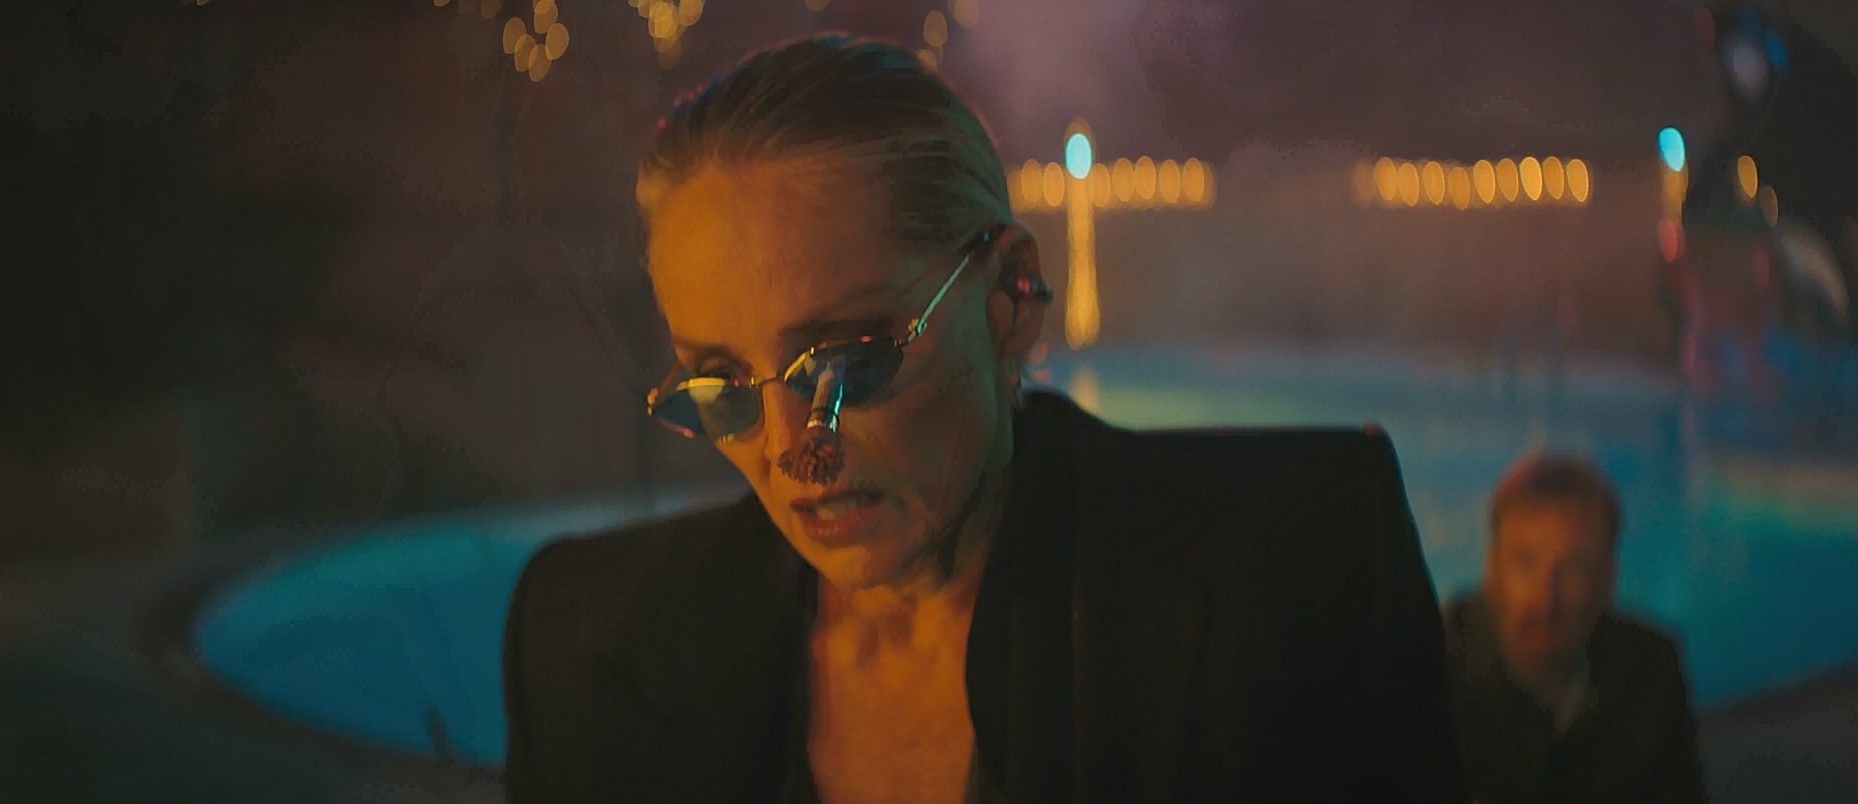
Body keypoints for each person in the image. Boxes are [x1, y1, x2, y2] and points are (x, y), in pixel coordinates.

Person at [503, 34, 1465, 803]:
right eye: (721, 386)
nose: (794, 450)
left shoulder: (1300, 579)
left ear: (1009, 296)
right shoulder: (584, 639)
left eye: (845, 362)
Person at [1444, 454, 1708, 804]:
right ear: (1491, 570)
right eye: (1525, 563)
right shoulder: (1433, 667)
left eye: (1574, 568)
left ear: (1606, 581)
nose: (1546, 600)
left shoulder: (1651, 670)